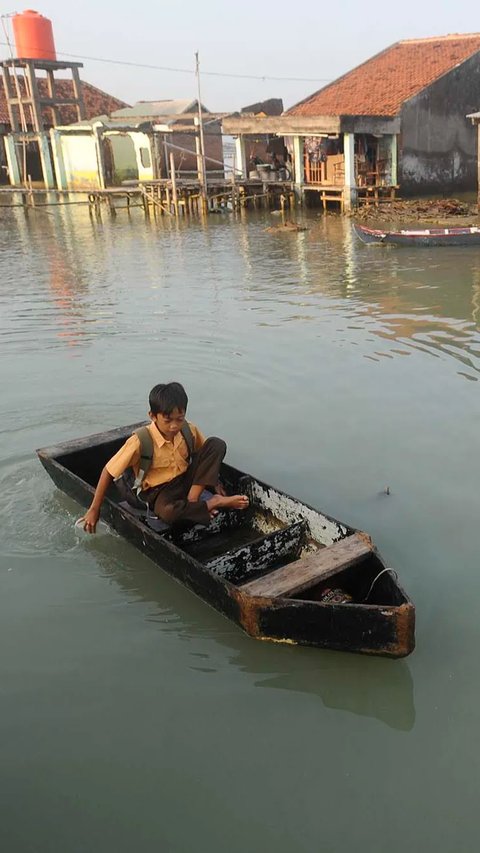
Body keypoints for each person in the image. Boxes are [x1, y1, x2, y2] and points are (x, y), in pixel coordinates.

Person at [80, 382, 249, 533]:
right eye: (168, 420)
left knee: (216, 444)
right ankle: (214, 503)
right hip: (159, 492)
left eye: (179, 419)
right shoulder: (139, 441)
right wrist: (94, 509)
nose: (174, 426)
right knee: (168, 513)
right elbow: (108, 472)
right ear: (153, 416)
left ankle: (193, 502)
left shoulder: (188, 430)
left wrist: (215, 482)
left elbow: (204, 454)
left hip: (187, 482)